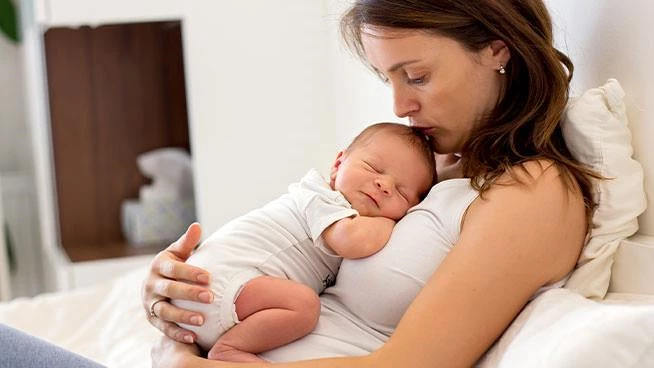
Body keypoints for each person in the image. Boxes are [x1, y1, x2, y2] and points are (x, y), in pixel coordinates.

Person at [140, 0, 601, 367]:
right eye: (388, 79)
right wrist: (177, 296)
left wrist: (186, 363)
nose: (400, 106)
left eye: (417, 76)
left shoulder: (535, 191)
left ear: (497, 50)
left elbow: (409, 364)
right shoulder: (419, 171)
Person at [170, 122, 436, 362]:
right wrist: (389, 221)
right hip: (216, 284)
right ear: (337, 165)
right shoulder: (321, 197)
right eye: (373, 168)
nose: (384, 185)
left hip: (217, 300)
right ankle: (229, 349)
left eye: (402, 192)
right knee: (305, 306)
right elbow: (351, 241)